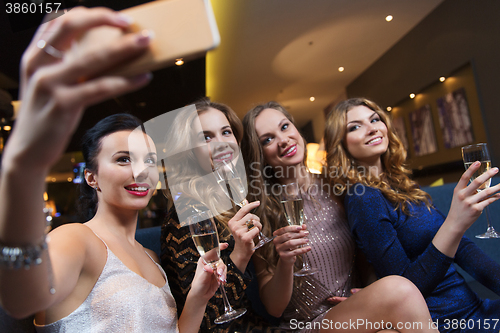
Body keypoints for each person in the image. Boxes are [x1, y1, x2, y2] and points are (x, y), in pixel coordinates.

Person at [0, 8, 222, 333]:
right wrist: (24, 166)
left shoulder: (152, 258)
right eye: (123, 159)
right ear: (91, 177)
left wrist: (200, 296)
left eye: (149, 160)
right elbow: (21, 299)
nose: (142, 171)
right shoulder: (76, 239)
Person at [240, 101, 440, 333]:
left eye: (285, 127)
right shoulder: (260, 211)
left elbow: (367, 256)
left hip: (357, 315)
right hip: (307, 325)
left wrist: (368, 292)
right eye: (268, 139)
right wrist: (286, 262)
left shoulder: (338, 186)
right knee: (400, 289)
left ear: (296, 130)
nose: (283, 140)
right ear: (259, 154)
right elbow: (274, 308)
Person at [324, 97, 500, 333]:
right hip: (442, 322)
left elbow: (462, 249)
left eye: (375, 119)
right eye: (355, 127)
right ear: (342, 144)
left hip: (476, 309)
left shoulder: (400, 183)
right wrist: (454, 224)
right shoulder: (363, 197)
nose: (372, 128)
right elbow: (405, 290)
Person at [160, 98, 280, 332]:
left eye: (226, 132)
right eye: (206, 137)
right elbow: (209, 318)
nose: (222, 144)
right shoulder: (187, 212)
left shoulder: (228, 198)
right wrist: (242, 254)